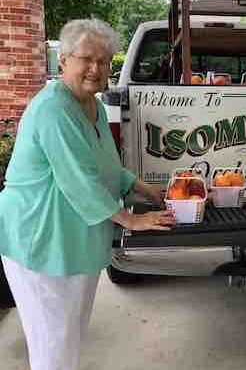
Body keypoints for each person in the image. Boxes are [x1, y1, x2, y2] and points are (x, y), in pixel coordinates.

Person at [0, 19, 176, 370]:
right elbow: (80, 180)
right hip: (42, 240)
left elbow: (104, 164)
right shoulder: (54, 108)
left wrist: (144, 188)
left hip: (76, 239)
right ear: (63, 59)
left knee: (69, 335)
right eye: (87, 59)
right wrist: (131, 220)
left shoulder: (90, 104)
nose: (96, 68)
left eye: (104, 60)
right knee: (53, 346)